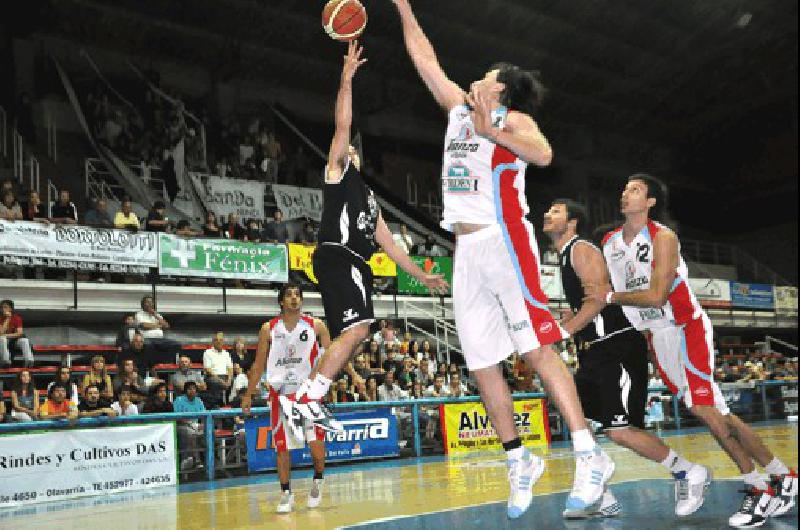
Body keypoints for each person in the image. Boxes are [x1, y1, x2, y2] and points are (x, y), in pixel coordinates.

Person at [391, 0, 613, 518]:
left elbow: (544, 155)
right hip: (465, 249)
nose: (476, 79)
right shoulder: (457, 111)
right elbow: (425, 60)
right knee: (481, 361)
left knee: (535, 348)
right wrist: (402, 6)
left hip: (505, 239)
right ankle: (519, 458)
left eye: (487, 76)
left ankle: (588, 452)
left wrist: (493, 130)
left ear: (500, 89)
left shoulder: (514, 119)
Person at [586, 173, 798, 527]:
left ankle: (758, 489)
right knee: (718, 413)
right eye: (624, 189)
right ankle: (783, 477)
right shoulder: (609, 242)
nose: (625, 194)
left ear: (650, 201)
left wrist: (607, 297)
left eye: (635, 190)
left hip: (686, 328)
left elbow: (655, 295)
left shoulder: (663, 237)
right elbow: (603, 291)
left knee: (705, 410)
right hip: (656, 336)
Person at [286, 41, 447, 435]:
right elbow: (342, 125)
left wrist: (422, 276)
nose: (351, 151)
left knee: (357, 336)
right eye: (349, 150)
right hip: (338, 255)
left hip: (354, 264)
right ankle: (308, 397)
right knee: (358, 330)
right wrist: (346, 78)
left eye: (355, 151)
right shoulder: (338, 175)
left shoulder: (370, 200)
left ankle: (308, 397)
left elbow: (390, 246)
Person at [543, 198, 709, 518]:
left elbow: (598, 300)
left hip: (618, 347)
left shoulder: (581, 249)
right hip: (597, 350)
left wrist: (563, 332)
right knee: (576, 415)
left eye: (556, 211)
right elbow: (585, 307)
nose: (547, 215)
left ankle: (687, 471)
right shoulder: (566, 255)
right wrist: (561, 324)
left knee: (619, 430)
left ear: (573, 221)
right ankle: (602, 496)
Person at [241, 283, 334, 514]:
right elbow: (259, 363)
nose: (294, 298)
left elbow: (331, 355)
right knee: (282, 448)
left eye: (297, 295)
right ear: (281, 301)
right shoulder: (268, 328)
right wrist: (249, 394)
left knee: (316, 447)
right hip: (280, 396)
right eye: (289, 295)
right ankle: (286, 493)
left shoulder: (316, 325)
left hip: (309, 396)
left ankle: (318, 479)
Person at [135, 296, 183, 364]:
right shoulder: (139, 314)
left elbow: (166, 326)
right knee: (148, 346)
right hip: (147, 338)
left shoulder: (157, 315)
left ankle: (166, 363)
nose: (150, 304)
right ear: (143, 304)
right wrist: (159, 325)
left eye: (151, 302)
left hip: (160, 339)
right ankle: (150, 365)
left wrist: (155, 315)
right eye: (147, 302)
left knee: (177, 345)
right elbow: (144, 326)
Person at [0, 299, 34, 367]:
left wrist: (5, 335)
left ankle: (29, 361)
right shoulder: (0, 318)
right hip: (3, 342)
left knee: (25, 340)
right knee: (2, 338)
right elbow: (1, 332)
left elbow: (20, 334)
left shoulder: (17, 318)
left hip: (14, 341)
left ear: (10, 308)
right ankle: (6, 361)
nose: (2, 309)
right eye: (2, 307)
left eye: (5, 307)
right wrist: (8, 318)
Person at [203, 331, 233, 407]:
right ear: (213, 342)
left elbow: (230, 368)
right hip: (213, 376)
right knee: (215, 382)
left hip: (225, 376)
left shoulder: (226, 353)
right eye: (217, 340)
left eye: (221, 340)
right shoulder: (208, 352)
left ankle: (229, 404)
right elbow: (208, 369)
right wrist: (220, 381)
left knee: (233, 381)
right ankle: (217, 404)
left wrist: (229, 380)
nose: (219, 342)